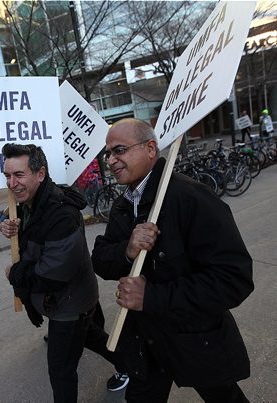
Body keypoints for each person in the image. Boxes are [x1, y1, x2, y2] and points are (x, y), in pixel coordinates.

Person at [91, 118, 254, 402]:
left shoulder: (192, 198)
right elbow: (101, 260)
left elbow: (234, 279)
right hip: (145, 342)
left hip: (194, 339)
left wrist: (151, 297)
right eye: (107, 154)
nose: (110, 160)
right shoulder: (123, 204)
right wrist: (127, 251)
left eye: (119, 150)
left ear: (150, 148)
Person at [0, 143, 126, 402]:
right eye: (7, 176)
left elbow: (50, 275)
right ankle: (133, 364)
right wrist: (4, 223)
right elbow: (6, 214)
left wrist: (15, 274)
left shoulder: (62, 215)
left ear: (40, 174)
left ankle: (135, 365)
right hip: (73, 301)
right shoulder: (29, 201)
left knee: (60, 370)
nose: (12, 183)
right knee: (94, 337)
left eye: (19, 175)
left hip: (69, 305)